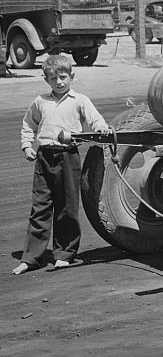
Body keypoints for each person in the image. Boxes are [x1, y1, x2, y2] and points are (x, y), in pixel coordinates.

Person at [12, 54, 109, 275]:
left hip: (68, 157)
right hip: (44, 158)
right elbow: (28, 124)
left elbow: (95, 119)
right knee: (40, 207)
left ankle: (64, 254)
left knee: (67, 207)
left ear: (71, 76)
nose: (59, 82)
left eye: (63, 77)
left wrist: (101, 127)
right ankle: (31, 257)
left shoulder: (80, 100)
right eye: (53, 78)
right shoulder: (40, 102)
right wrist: (27, 146)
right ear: (46, 79)